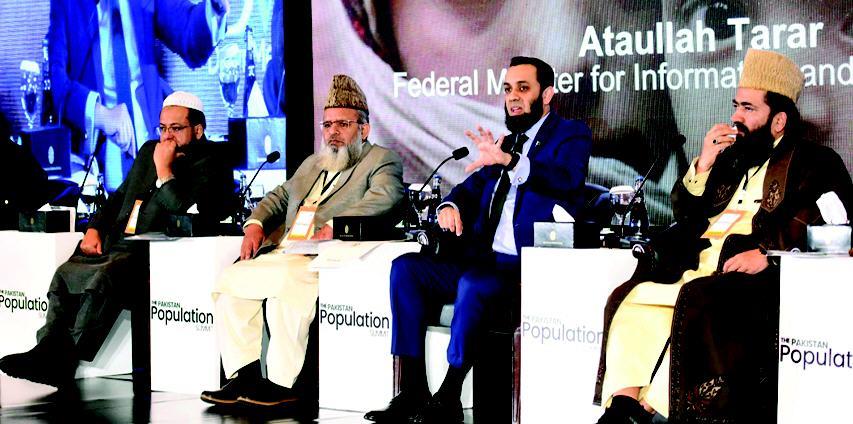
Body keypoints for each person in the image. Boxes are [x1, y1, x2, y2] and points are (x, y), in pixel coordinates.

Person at [594, 49, 853, 423]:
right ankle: (622, 408)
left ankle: (645, 410)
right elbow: (685, 216)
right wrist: (703, 163)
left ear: (779, 120)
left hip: (747, 277)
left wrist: (769, 253)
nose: (736, 117)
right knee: (633, 298)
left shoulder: (814, 160)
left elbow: (831, 220)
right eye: (736, 106)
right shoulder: (731, 158)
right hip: (699, 267)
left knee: (697, 302)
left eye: (749, 108)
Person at [366, 56, 593, 423]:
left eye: (523, 88)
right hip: (482, 260)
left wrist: (511, 162)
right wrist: (450, 205)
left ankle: (449, 394)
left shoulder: (570, 134)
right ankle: (411, 390)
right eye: (508, 89)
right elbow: (470, 187)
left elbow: (566, 180)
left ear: (547, 94)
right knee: (405, 269)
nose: (513, 97)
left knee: (473, 283)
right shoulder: (506, 143)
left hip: (525, 267)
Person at [0, 91, 236, 389]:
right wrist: (95, 228)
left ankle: (65, 358)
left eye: (176, 128)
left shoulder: (213, 160)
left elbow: (182, 208)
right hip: (118, 240)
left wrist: (164, 171)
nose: (167, 136)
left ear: (198, 130)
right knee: (65, 273)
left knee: (103, 278)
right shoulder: (148, 150)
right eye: (163, 128)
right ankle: (46, 348)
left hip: (156, 251)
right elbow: (119, 196)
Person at [200, 74, 404, 407]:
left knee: (286, 288)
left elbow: (385, 198)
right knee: (230, 282)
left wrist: (336, 226)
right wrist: (255, 224)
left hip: (327, 256)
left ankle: (283, 383)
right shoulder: (313, 162)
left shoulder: (381, 159)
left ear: (364, 129)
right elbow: (279, 196)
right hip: (289, 250)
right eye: (328, 125)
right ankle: (245, 375)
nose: (333, 132)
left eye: (343, 124)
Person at [46, 0, 229, 190]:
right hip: (98, 153)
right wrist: (99, 113)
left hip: (151, 144)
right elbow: (57, 82)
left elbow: (189, 37)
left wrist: (215, 8)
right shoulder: (67, 4)